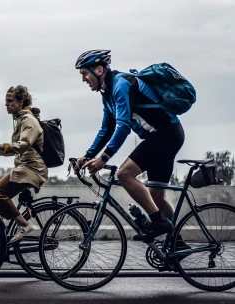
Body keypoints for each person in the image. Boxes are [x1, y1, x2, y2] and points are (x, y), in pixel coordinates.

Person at [74, 50, 187, 245]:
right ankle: (177, 244)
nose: (83, 79)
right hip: (165, 135)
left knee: (124, 174)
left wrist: (104, 158)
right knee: (157, 196)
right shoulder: (107, 94)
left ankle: (159, 223)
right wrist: (88, 155)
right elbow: (106, 128)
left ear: (99, 69)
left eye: (84, 73)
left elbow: (123, 126)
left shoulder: (121, 85)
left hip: (165, 134)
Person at [0, 85, 48, 251]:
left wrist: (0, 145)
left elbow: (24, 145)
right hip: (25, 166)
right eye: (6, 102)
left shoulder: (29, 120)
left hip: (32, 168)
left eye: (10, 101)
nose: (6, 105)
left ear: (20, 101)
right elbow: (17, 148)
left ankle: (24, 225)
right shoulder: (22, 120)